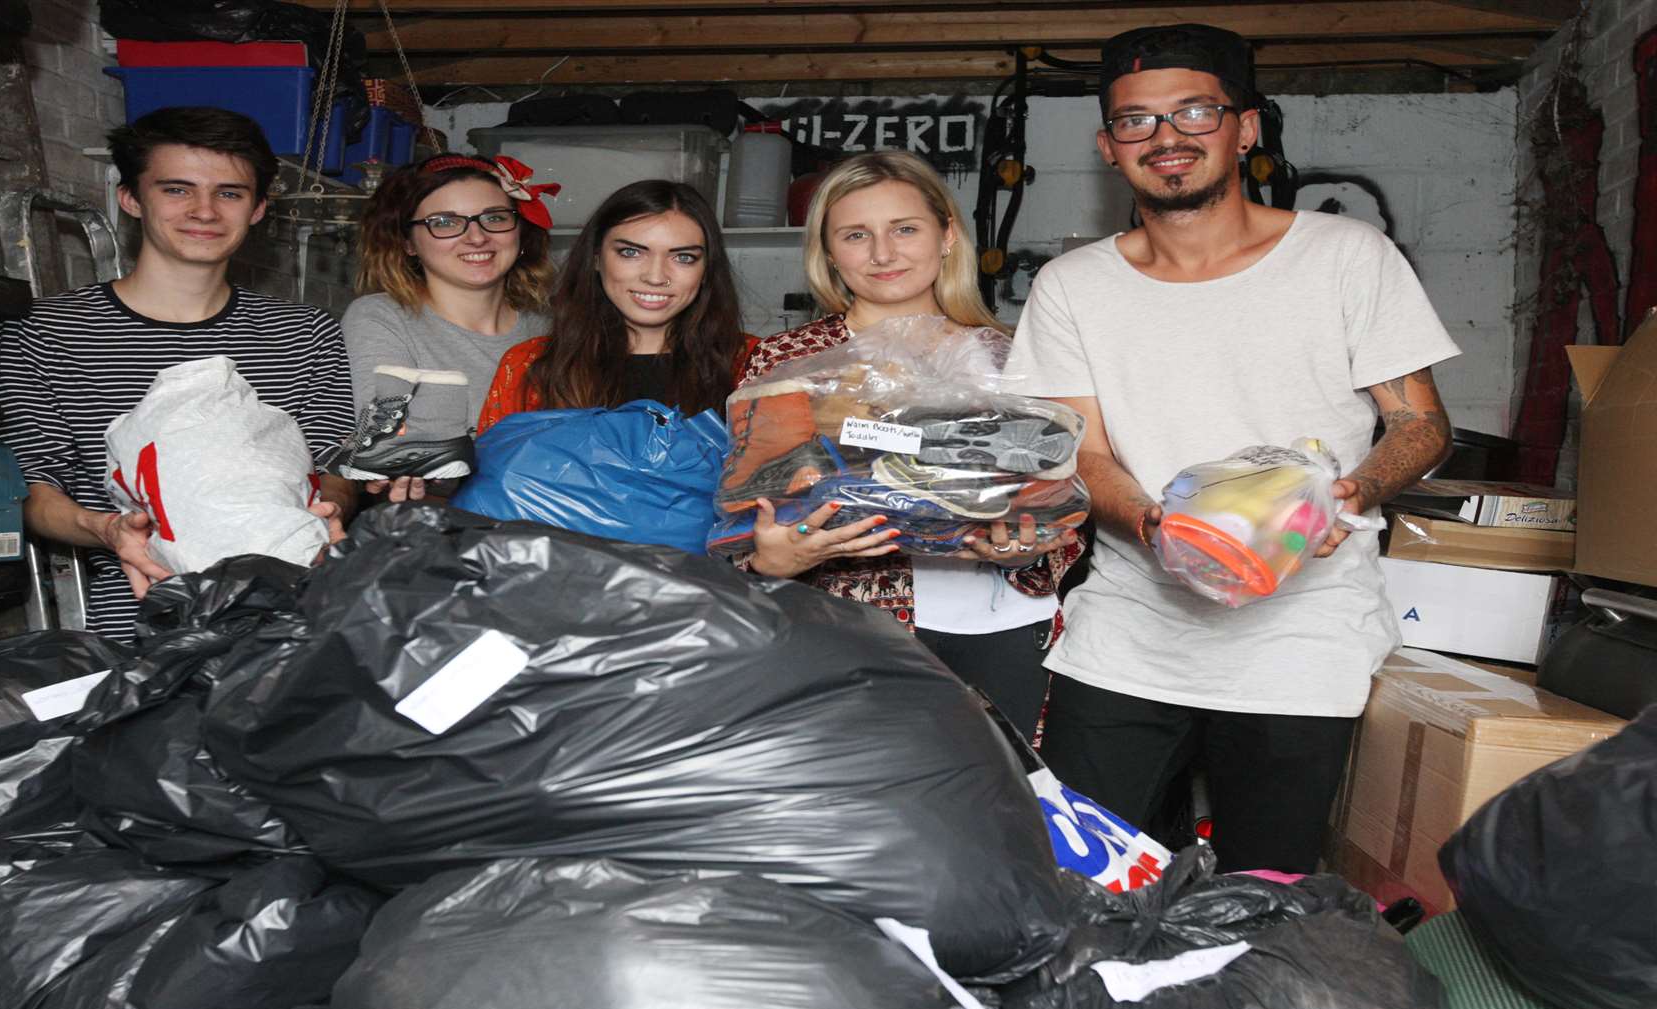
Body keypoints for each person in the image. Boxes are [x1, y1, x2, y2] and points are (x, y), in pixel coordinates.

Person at [1010, 24, 1457, 873]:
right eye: (1137, 122)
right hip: (1131, 633)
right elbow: (1079, 451)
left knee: (1268, 890)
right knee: (1076, 882)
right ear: (1110, 147)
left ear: (1244, 127)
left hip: (1301, 639)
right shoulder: (1075, 287)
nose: (1167, 138)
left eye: (1194, 112)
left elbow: (1421, 425)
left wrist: (1344, 499)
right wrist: (1158, 529)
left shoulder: (1345, 257)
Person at [733, 151, 1084, 742]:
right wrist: (769, 560)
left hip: (1004, 628)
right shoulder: (790, 362)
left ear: (947, 235)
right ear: (829, 252)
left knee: (1002, 813)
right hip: (848, 629)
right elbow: (745, 506)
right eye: (855, 235)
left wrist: (1027, 549)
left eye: (904, 229)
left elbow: (1061, 498)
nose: (883, 253)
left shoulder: (1013, 356)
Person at [0, 106, 357, 643]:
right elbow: (33, 491)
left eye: (229, 193)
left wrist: (329, 510)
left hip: (295, 622)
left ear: (258, 209)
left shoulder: (304, 335)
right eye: (177, 190)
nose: (204, 211)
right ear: (131, 198)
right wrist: (109, 529)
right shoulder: (45, 334)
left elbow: (334, 468)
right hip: (132, 627)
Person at [334, 154, 554, 498]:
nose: (477, 237)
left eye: (494, 218)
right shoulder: (380, 317)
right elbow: (391, 437)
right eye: (445, 222)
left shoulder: (550, 329)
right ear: (407, 242)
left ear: (521, 230)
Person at [476, 179, 755, 433]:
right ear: (596, 258)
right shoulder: (529, 365)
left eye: (683, 257)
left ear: (706, 270)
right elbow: (495, 480)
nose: (655, 277)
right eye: (631, 252)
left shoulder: (753, 364)